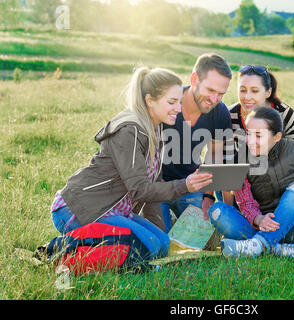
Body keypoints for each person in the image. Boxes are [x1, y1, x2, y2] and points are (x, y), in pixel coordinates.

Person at [50, 66, 213, 260]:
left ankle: (100, 243)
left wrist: (159, 235)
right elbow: (140, 189)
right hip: (79, 209)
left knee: (160, 245)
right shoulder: (131, 130)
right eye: (171, 102)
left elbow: (154, 188)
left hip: (114, 209)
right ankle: (63, 249)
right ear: (150, 100)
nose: (178, 109)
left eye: (179, 102)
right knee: (146, 249)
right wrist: (184, 185)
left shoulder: (155, 129)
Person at [208, 107, 294, 260]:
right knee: (217, 211)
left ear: (277, 137)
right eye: (248, 134)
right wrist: (259, 219)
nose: (251, 141)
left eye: (258, 135)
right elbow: (246, 204)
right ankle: (280, 249)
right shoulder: (241, 160)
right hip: (261, 225)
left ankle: (256, 245)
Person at [160, 53, 233, 232]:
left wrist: (208, 197)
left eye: (221, 94)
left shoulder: (220, 112)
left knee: (201, 236)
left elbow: (214, 155)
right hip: (157, 185)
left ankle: (178, 219)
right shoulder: (167, 103)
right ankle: (166, 218)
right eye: (210, 90)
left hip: (190, 185)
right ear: (194, 79)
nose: (215, 99)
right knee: (159, 240)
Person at [224, 65, 294, 165]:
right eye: (242, 90)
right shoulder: (228, 116)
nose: (247, 97)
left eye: (254, 91)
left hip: (279, 174)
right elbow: (224, 161)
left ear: (268, 92)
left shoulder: (286, 115)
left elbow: (293, 156)